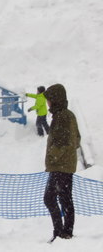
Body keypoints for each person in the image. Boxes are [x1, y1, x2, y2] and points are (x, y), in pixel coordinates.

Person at [42, 83, 81, 242]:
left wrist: (53, 156)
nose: (47, 102)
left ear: (55, 99)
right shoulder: (66, 115)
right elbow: (77, 139)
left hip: (60, 166)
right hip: (64, 164)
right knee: (64, 199)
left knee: (51, 198)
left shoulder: (62, 116)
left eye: (49, 99)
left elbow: (63, 142)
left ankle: (62, 232)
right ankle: (64, 232)